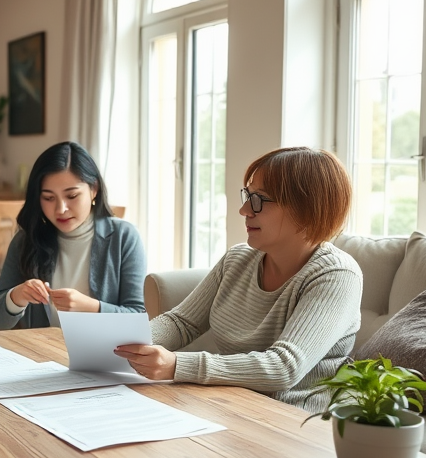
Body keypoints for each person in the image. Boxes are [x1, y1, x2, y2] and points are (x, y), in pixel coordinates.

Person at [115, 146, 362, 412]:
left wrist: (176, 365)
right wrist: (125, 344)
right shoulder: (237, 259)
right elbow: (181, 323)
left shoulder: (336, 275)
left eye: (259, 199)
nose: (244, 210)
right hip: (230, 404)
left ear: (305, 209)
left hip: (295, 421)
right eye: (248, 195)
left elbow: (284, 367)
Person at [0, 141, 146, 329]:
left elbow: (138, 318)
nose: (61, 209)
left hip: (103, 354)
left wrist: (91, 307)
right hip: (42, 354)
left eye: (72, 196)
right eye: (48, 198)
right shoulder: (26, 240)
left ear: (93, 190)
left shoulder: (124, 237)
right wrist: (17, 296)